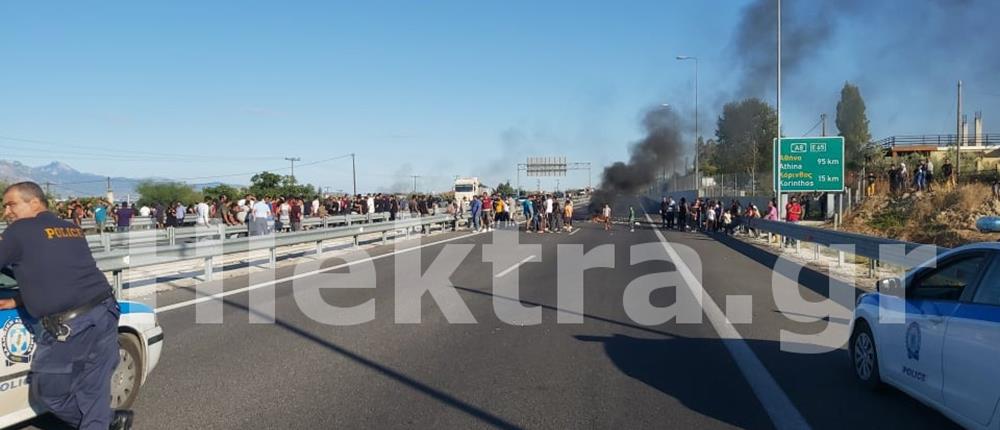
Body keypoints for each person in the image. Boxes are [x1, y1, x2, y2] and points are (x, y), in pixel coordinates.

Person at [0, 182, 133, 429]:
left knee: (51, 393)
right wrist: (19, 299)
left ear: (34, 202)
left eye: (11, 204)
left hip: (71, 327)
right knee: (93, 394)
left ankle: (107, 421)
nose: (7, 211)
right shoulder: (69, 228)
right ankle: (104, 421)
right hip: (104, 313)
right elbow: (58, 273)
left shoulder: (19, 231)